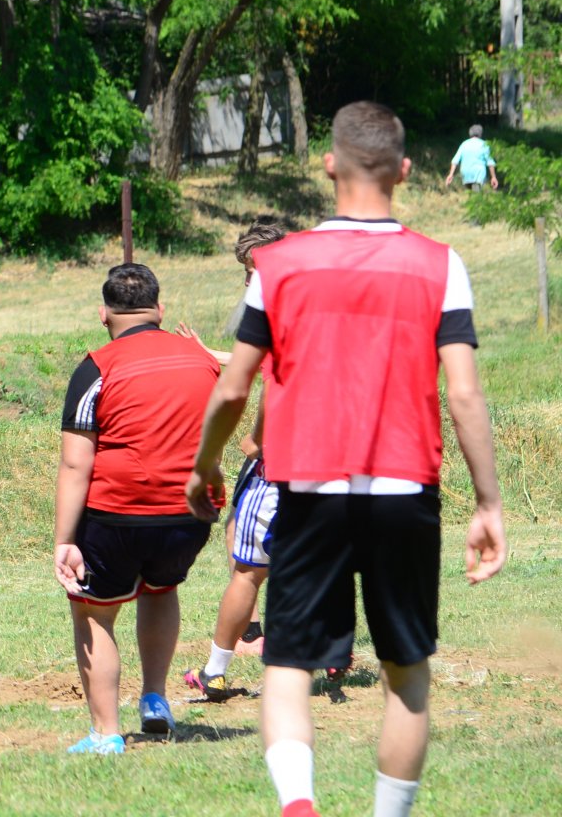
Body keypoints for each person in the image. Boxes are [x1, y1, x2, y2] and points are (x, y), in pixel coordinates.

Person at [187, 101, 507, 817]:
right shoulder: (440, 265)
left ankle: (299, 805)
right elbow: (463, 393)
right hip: (406, 488)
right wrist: (488, 504)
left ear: (328, 164)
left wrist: (205, 466)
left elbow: (235, 385)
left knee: (289, 663)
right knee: (406, 674)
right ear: (405, 170)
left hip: (307, 485)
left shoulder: (278, 264)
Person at [55, 263, 221, 754]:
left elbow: (74, 464)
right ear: (160, 309)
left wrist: (65, 540)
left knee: (92, 614)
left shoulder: (96, 367)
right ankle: (154, 698)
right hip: (191, 516)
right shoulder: (200, 359)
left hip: (118, 515)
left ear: (103, 314)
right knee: (160, 587)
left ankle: (106, 734)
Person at [180, 215, 288, 703]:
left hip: (278, 464)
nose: (246, 281)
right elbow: (256, 361)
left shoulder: (277, 310)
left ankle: (223, 661)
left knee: (249, 566)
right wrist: (207, 351)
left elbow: (259, 382)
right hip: (327, 465)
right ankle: (330, 648)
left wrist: (252, 440)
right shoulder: (307, 305)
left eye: (250, 271)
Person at [442, 124, 497, 191]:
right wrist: (493, 177)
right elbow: (490, 162)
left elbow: (455, 161)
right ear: (480, 134)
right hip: (478, 173)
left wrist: (451, 174)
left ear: (470, 133)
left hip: (465, 173)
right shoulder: (484, 144)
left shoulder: (464, 144)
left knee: (470, 192)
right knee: (476, 193)